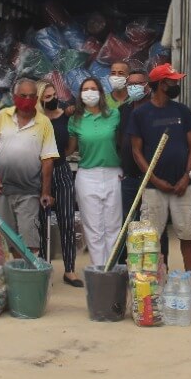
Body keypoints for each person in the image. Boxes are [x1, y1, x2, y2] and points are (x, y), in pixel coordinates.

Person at [129, 63, 191, 276]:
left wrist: (186, 176)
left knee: (187, 234)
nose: (176, 84)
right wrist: (156, 180)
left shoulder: (182, 111)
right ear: (160, 84)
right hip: (153, 188)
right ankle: (152, 280)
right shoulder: (140, 114)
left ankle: (188, 278)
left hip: (182, 186)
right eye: (173, 81)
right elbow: (136, 152)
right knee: (151, 237)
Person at [0, 78, 58, 260]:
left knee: (29, 240)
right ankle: (16, 270)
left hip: (29, 191)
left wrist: (45, 192)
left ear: (36, 99)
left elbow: (48, 159)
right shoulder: (3, 116)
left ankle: (25, 272)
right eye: (23, 95)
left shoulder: (44, 123)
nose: (27, 99)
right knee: (6, 238)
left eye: (31, 96)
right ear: (14, 96)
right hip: (2, 189)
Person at [68, 76, 123, 268]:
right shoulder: (75, 119)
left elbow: (122, 142)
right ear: (80, 94)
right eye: (85, 89)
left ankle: (113, 269)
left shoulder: (114, 114)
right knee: (94, 229)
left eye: (93, 88)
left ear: (101, 93)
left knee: (114, 227)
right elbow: (70, 149)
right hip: (87, 176)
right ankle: (99, 271)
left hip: (113, 174)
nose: (89, 92)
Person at [37, 80, 81, 286]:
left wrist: (59, 157)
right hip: (38, 173)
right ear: (39, 99)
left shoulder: (64, 116)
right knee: (41, 222)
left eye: (54, 95)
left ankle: (69, 269)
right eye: (47, 96)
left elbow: (71, 144)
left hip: (61, 170)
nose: (53, 99)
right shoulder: (35, 120)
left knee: (66, 221)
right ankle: (43, 266)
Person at [115, 68, 153, 260]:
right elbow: (119, 140)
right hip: (129, 177)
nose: (133, 88)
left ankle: (148, 265)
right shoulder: (123, 110)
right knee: (128, 222)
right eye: (130, 85)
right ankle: (125, 263)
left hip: (152, 179)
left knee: (150, 224)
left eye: (138, 84)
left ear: (147, 85)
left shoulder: (154, 109)